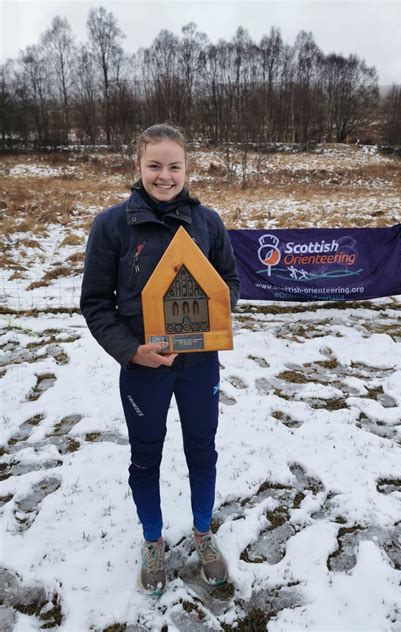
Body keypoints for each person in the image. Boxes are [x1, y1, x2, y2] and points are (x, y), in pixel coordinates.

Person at [80, 124, 240, 597]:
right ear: (138, 166)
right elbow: (95, 304)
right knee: (145, 457)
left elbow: (230, 284)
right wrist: (130, 351)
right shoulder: (111, 225)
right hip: (143, 370)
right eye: (155, 165)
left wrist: (213, 308)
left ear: (187, 169)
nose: (165, 176)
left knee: (202, 450)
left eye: (174, 166)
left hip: (200, 365)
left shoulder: (207, 222)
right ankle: (153, 539)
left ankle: (202, 532)